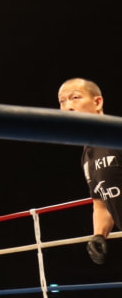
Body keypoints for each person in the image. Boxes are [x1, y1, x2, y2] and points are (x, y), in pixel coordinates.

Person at [58, 78, 122, 265]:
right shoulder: (87, 154)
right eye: (62, 102)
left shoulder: (117, 134)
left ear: (97, 102)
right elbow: (101, 202)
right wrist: (99, 235)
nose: (68, 107)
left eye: (75, 98)